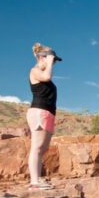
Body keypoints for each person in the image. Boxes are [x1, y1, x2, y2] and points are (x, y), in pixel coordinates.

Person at [28, 42, 61, 190]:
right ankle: (34, 182)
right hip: (39, 111)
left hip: (48, 113)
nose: (53, 63)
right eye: (53, 60)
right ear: (42, 58)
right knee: (37, 147)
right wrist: (48, 63)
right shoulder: (34, 71)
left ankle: (37, 179)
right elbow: (47, 77)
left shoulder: (42, 72)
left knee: (43, 148)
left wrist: (49, 62)